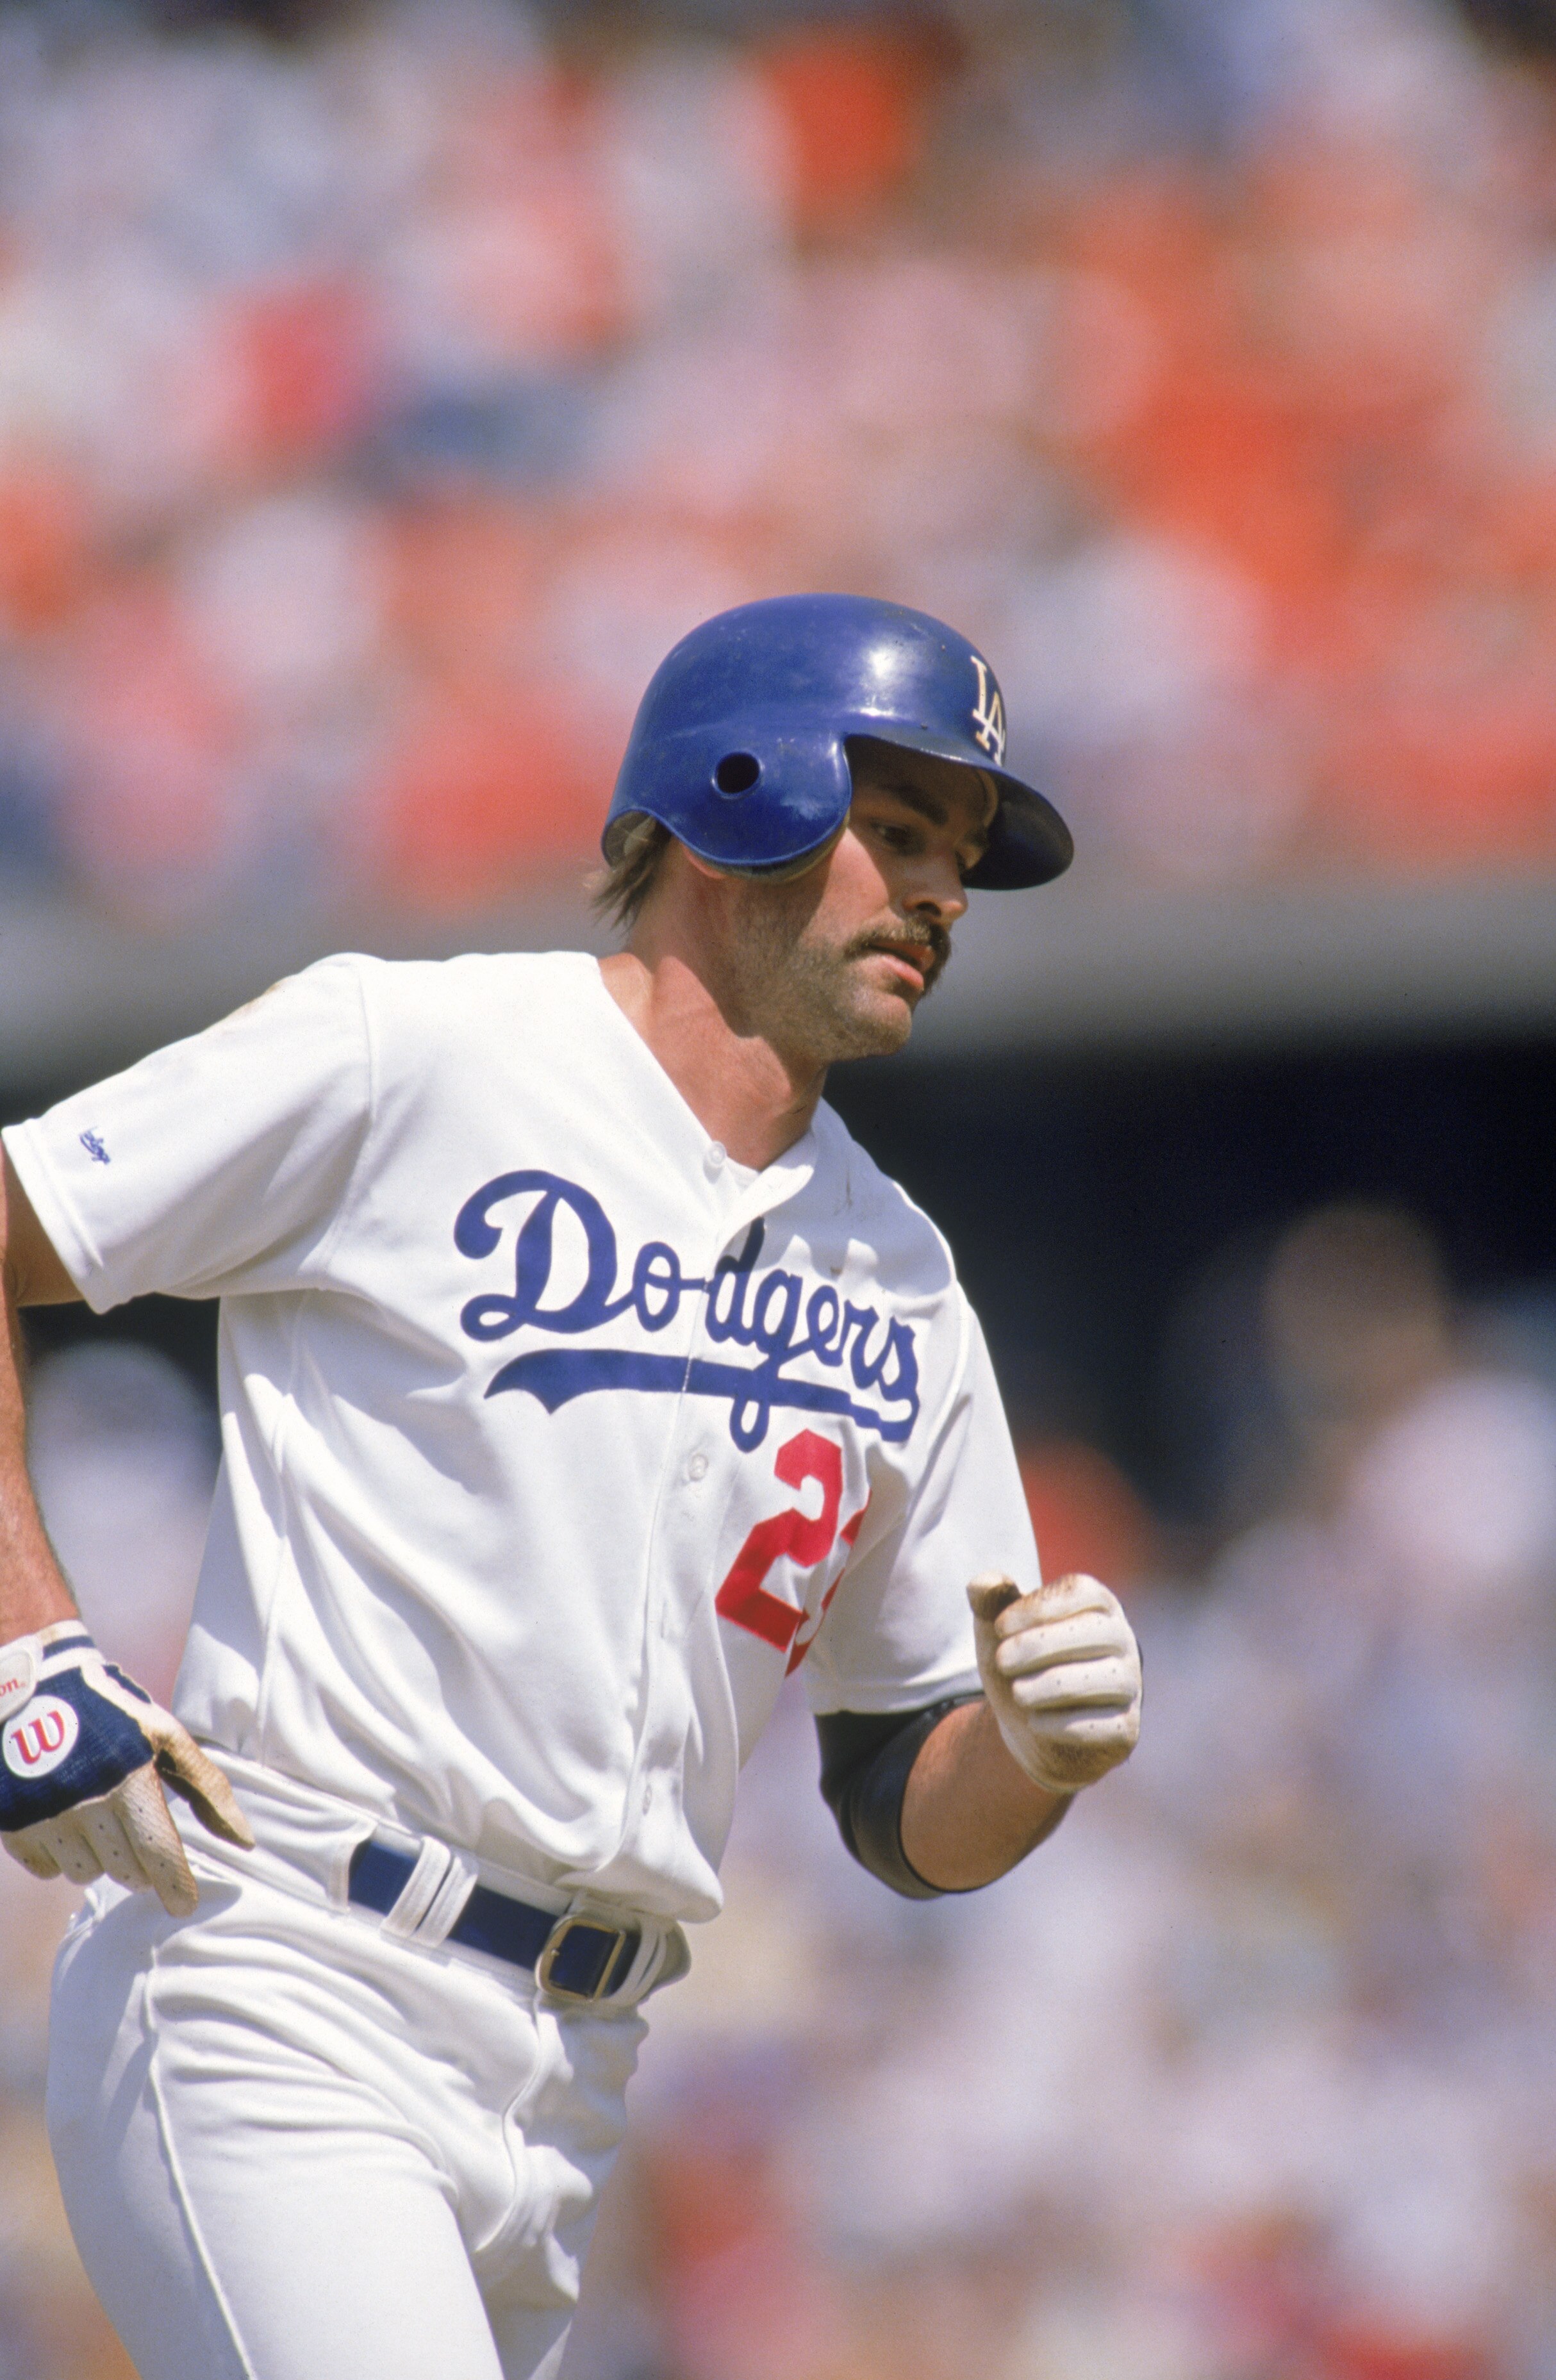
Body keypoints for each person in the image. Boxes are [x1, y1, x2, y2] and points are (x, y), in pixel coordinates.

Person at [0, 593, 1143, 2380]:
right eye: (902, 830)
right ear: (738, 790)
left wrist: (1034, 1749)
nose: (943, 895)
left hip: (573, 2080)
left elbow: (903, 1805)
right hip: (280, 1972)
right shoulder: (419, 1055)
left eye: (963, 856)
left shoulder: (903, 1276)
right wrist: (27, 1642)